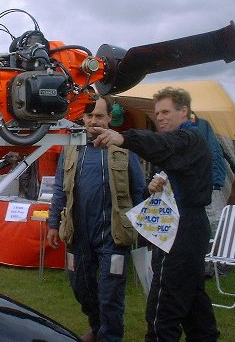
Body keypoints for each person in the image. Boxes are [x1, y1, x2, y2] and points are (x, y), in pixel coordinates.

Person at [92, 87, 220, 342]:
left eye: (166, 112)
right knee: (194, 304)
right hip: (183, 227)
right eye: (157, 112)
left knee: (163, 311)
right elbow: (169, 167)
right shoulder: (180, 145)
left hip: (183, 229)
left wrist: (123, 138)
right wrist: (154, 186)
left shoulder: (188, 139)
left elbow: (163, 144)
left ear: (184, 111)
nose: (159, 117)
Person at [46, 97, 145, 342]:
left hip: (113, 234)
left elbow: (139, 190)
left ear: (110, 117)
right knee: (80, 286)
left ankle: (110, 336)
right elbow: (59, 189)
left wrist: (146, 229)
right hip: (78, 233)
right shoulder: (71, 147)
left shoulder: (124, 148)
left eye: (99, 116)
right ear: (82, 117)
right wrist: (52, 223)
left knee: (111, 293)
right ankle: (98, 326)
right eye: (89, 116)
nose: (94, 121)